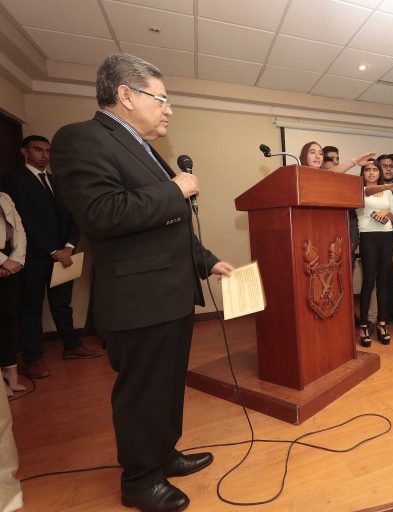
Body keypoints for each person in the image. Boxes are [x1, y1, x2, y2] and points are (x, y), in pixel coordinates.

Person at [50, 53, 234, 512]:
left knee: (168, 385)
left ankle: (163, 455)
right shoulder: (80, 139)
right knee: (142, 392)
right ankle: (139, 481)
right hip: (137, 298)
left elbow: (164, 228)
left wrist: (206, 261)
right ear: (126, 95)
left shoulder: (146, 149)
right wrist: (175, 189)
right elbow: (102, 214)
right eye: (162, 98)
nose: (169, 109)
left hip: (169, 293)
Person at [3, 135, 102, 379]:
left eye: (48, 151)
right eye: (38, 150)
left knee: (61, 303)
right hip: (34, 257)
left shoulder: (57, 180)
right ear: (24, 152)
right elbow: (22, 220)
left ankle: (72, 346)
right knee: (31, 307)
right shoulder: (14, 180)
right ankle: (33, 358)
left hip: (65, 255)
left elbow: (73, 214)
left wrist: (68, 246)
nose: (45, 155)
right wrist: (52, 251)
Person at [356, 159, 393, 347]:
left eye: (375, 169)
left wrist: (386, 213)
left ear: (379, 172)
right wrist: (387, 185)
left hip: (386, 236)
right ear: (363, 173)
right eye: (368, 170)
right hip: (368, 237)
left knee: (383, 282)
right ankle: (364, 324)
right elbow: (366, 192)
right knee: (368, 283)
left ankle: (382, 323)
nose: (372, 173)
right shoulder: (359, 189)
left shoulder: (387, 192)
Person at [0, 192, 26, 397]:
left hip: (10, 262)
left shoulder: (5, 197)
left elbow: (19, 230)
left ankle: (10, 370)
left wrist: (16, 260)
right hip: (2, 260)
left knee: (9, 319)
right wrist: (2, 261)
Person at [299, 141, 372, 173]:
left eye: (321, 153)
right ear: (304, 156)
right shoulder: (297, 174)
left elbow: (331, 172)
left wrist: (356, 161)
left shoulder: (326, 175)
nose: (317, 156)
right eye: (312, 152)